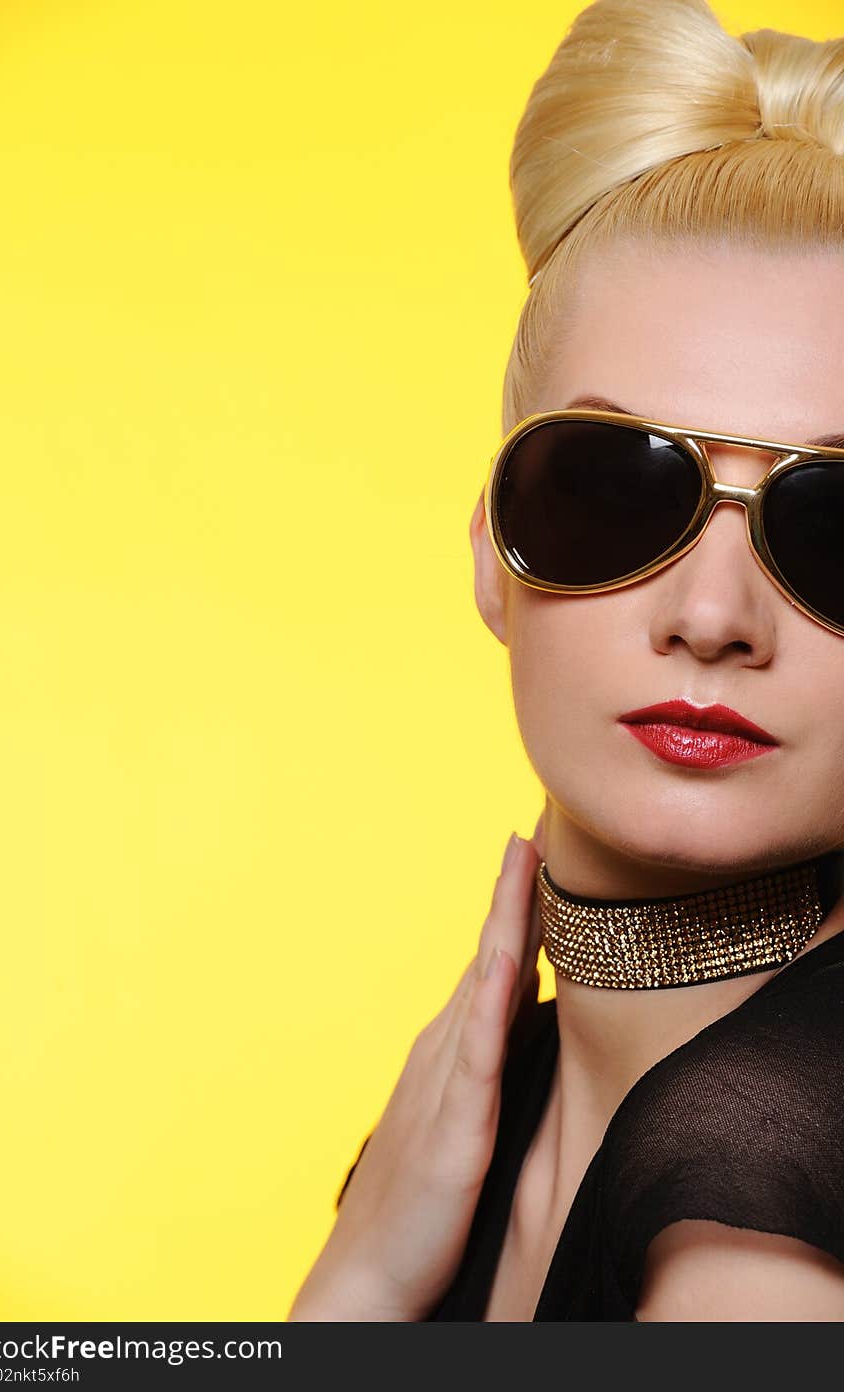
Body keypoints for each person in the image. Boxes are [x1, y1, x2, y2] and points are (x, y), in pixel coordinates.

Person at [287, 0, 844, 1321]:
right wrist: (360, 1279)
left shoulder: (754, 1213)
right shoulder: (468, 1132)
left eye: (835, 527)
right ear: (490, 551)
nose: (714, 617)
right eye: (608, 489)